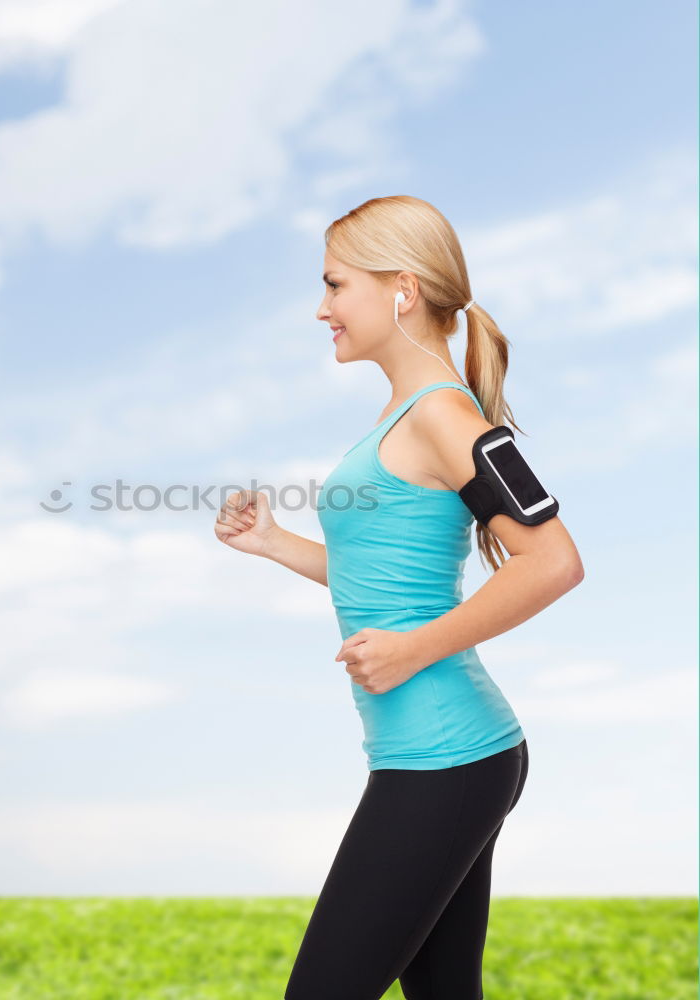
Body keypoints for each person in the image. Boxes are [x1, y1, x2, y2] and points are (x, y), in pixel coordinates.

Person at [213, 195, 584, 1000]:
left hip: (447, 758)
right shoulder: (401, 418)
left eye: (336, 285)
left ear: (402, 290)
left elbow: (551, 561)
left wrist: (416, 647)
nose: (322, 308)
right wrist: (273, 544)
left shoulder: (446, 417)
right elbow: (387, 583)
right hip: (446, 756)